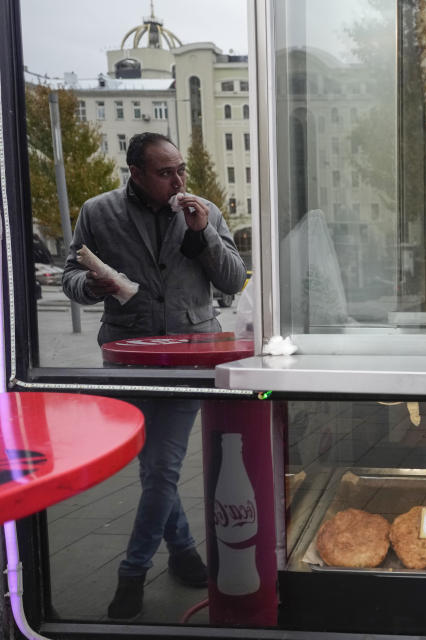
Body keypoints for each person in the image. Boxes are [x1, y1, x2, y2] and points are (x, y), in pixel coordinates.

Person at [62, 132, 246, 620]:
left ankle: (132, 572)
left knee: (163, 467)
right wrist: (93, 284)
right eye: (165, 173)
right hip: (128, 354)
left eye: (181, 169)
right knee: (153, 468)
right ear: (136, 173)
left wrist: (203, 232)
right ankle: (183, 551)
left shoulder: (201, 208)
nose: (178, 180)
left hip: (191, 353)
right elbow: (69, 279)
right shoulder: (98, 212)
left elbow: (231, 280)